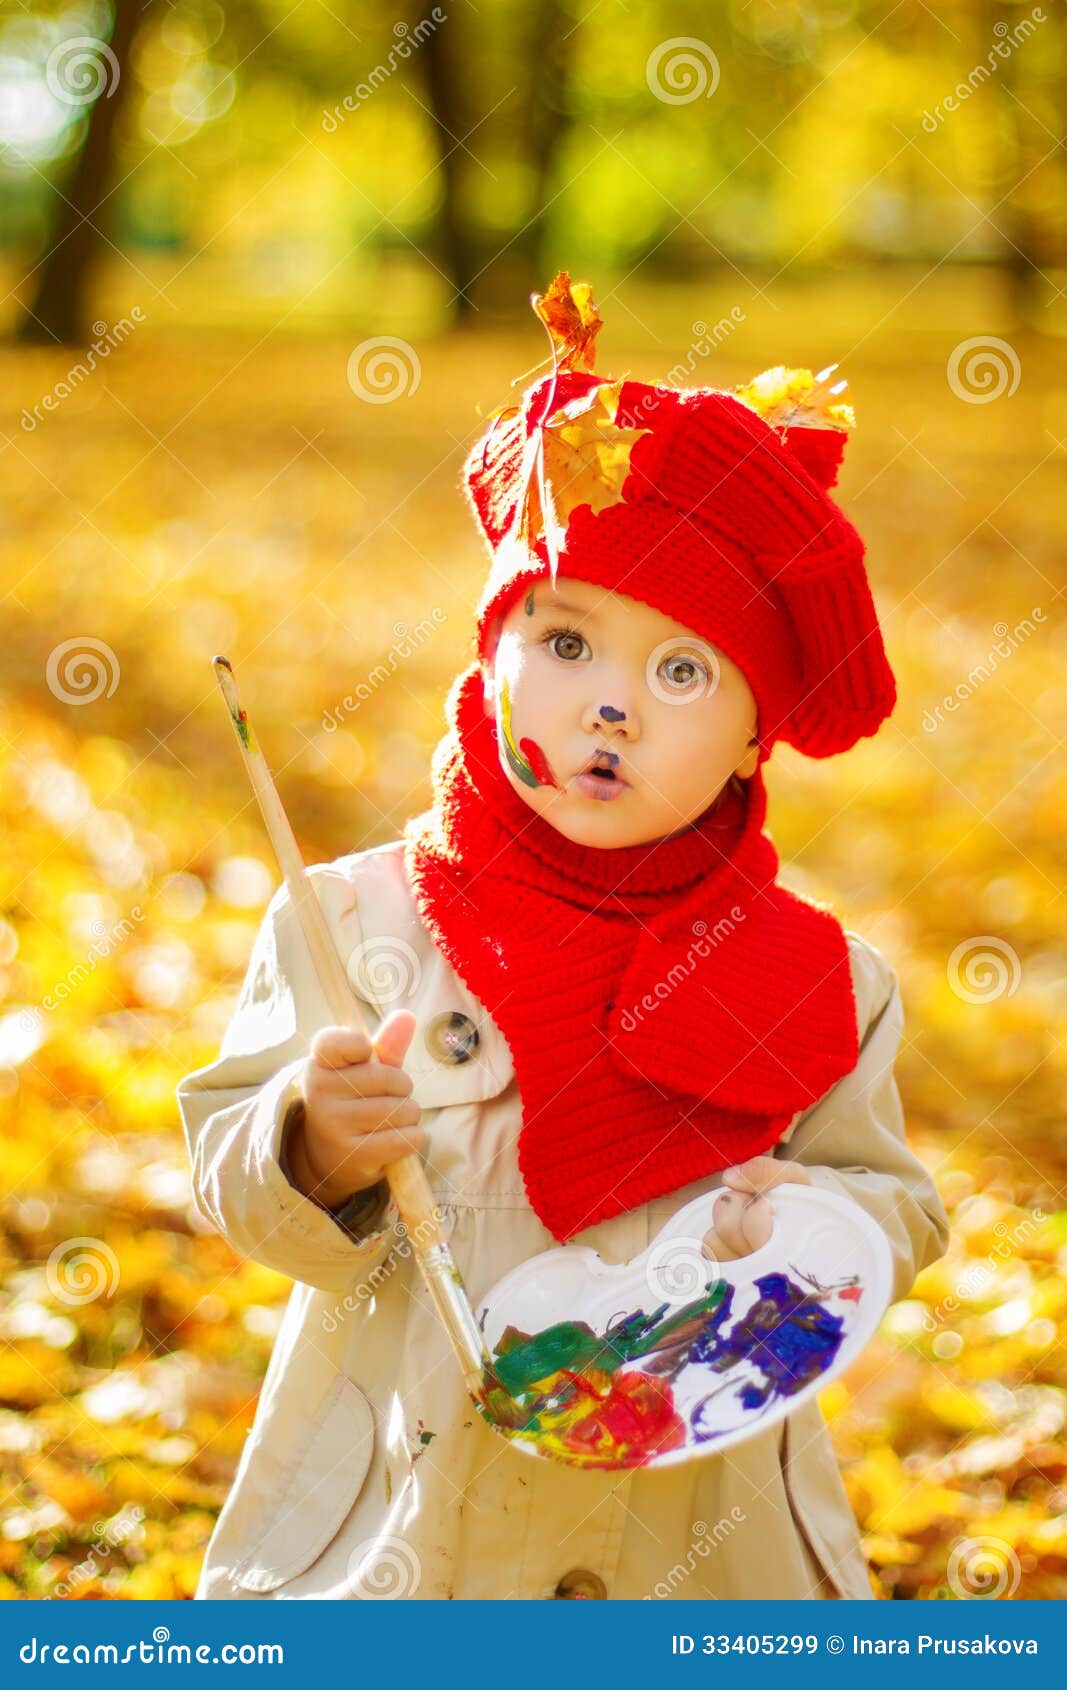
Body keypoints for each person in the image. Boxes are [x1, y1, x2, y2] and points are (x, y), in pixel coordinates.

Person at [177, 274, 949, 1601]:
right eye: (569, 640)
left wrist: (820, 1218)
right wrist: (306, 1140)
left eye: (683, 671)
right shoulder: (355, 919)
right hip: (411, 1528)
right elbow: (234, 1167)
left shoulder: (820, 981)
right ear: (491, 656)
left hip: (695, 1545)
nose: (611, 711)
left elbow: (901, 1205)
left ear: (758, 734)